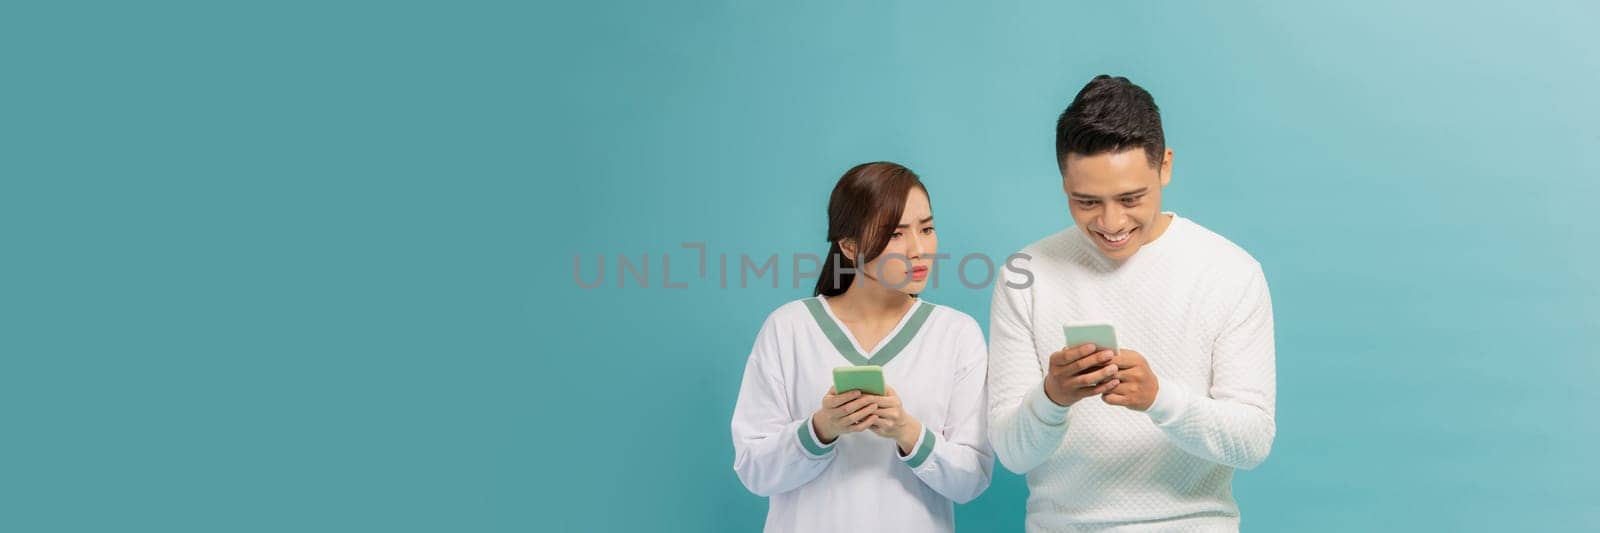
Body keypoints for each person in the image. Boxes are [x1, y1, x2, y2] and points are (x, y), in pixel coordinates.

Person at [987, 75, 1278, 531]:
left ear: (1165, 166)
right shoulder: (1025, 276)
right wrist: (1052, 397)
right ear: (1063, 181)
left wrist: (1159, 399)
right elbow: (1011, 452)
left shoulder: (1230, 272)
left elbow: (1253, 441)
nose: (1110, 222)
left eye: (1130, 198)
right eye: (1085, 202)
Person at [731, 161, 993, 532]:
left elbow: (972, 480)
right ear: (850, 246)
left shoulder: (956, 334)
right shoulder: (789, 328)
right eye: (896, 234)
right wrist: (821, 428)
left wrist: (907, 432)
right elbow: (753, 470)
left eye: (927, 228)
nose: (918, 249)